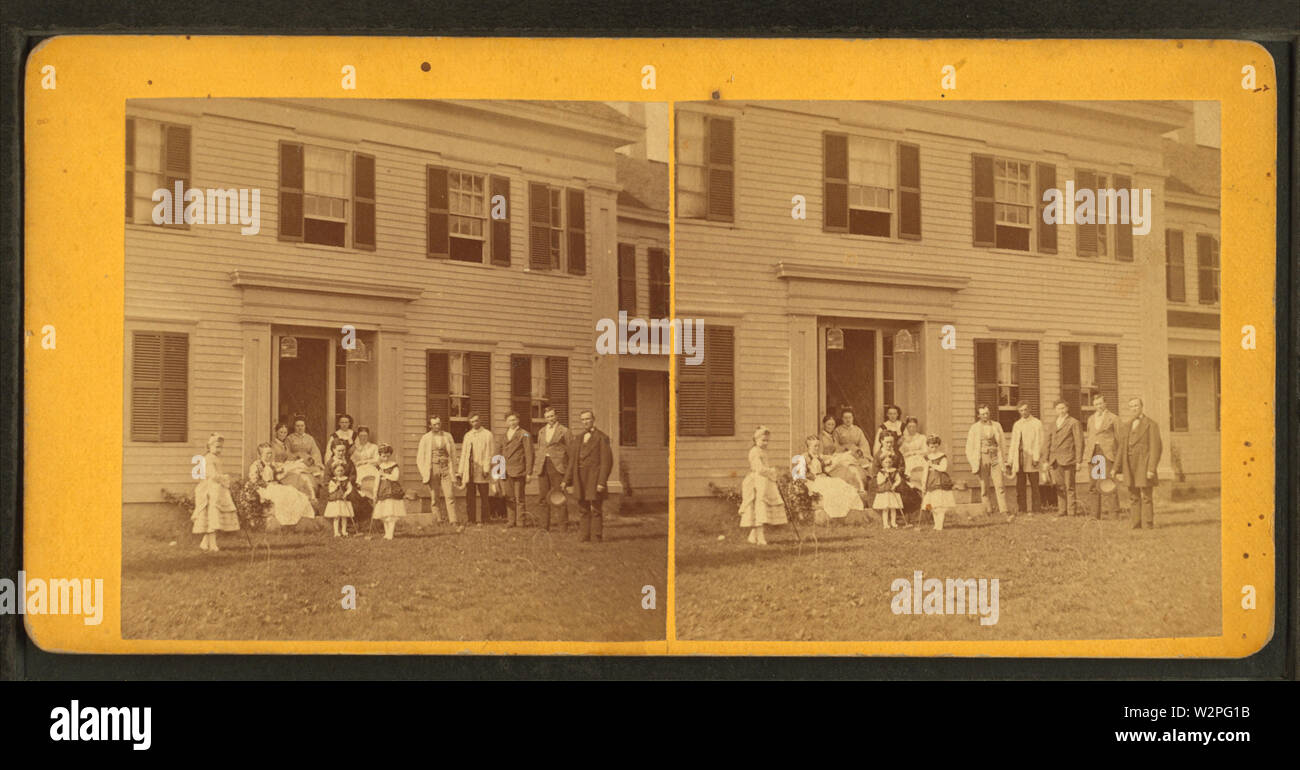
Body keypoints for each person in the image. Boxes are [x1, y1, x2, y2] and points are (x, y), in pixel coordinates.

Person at [563, 409, 613, 543]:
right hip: (580, 478)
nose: (585, 422)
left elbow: (606, 462)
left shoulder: (602, 438)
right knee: (583, 508)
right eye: (583, 420)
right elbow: (572, 462)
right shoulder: (578, 438)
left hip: (594, 478)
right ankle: (584, 535)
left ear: (593, 420)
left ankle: (596, 536)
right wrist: (566, 480)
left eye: (588, 419)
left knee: (596, 508)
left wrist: (602, 482)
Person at [1116, 397, 1163, 530]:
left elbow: (1156, 448)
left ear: (1142, 406)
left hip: (1144, 465)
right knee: (1133, 496)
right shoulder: (1127, 425)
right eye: (1131, 406)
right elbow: (1122, 448)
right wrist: (1117, 468)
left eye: (1136, 405)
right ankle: (1135, 524)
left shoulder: (1151, 424)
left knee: (1147, 496)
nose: (1134, 408)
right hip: (1130, 466)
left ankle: (1148, 524)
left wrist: (1151, 469)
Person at [737, 426, 787, 545]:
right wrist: (771, 471)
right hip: (757, 481)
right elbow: (759, 468)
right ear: (755, 439)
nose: (765, 443)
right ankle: (760, 536)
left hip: (765, 481)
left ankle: (753, 536)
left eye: (767, 440)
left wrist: (770, 473)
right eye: (763, 440)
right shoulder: (754, 451)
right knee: (759, 506)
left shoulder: (763, 451)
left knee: (761, 507)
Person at [798, 434, 864, 523]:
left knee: (840, 484)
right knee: (829, 491)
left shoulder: (819, 457)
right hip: (812, 481)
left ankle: (844, 513)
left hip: (822, 478)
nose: (817, 448)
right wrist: (814, 477)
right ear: (809, 446)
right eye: (815, 446)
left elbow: (829, 461)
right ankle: (835, 514)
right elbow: (802, 474)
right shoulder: (804, 457)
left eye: (818, 446)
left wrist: (829, 463)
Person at [192, 433, 240, 551]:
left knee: (214, 516)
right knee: (212, 516)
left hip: (217, 488)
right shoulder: (208, 458)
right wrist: (224, 478)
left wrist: (222, 480)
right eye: (216, 447)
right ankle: (212, 544)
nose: (219, 449)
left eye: (221, 447)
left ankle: (205, 542)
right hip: (209, 490)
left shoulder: (216, 458)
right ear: (209, 446)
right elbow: (213, 475)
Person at [249, 442, 313, 528]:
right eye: (267, 453)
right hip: (264, 488)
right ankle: (284, 521)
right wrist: (265, 484)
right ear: (260, 454)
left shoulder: (272, 465)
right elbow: (254, 480)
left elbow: (277, 476)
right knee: (280, 496)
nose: (270, 455)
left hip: (274, 486)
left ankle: (293, 520)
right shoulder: (256, 465)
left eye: (271, 453)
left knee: (292, 492)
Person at [965, 405, 1009, 520]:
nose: (985, 415)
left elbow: (1002, 443)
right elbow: (969, 448)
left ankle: (1004, 510)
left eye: (987, 413)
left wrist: (1004, 459)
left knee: (999, 485)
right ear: (978, 415)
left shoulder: (996, 425)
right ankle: (988, 510)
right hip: (982, 457)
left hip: (995, 458)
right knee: (984, 486)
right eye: (983, 414)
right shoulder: (974, 428)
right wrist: (974, 462)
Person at [417, 415, 459, 529]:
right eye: (434, 424)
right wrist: (425, 473)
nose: (437, 426)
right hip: (433, 468)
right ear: (430, 425)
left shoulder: (447, 436)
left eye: (438, 423)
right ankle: (438, 519)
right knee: (435, 497)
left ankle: (453, 520)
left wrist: (454, 469)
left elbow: (453, 454)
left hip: (446, 468)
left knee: (449, 495)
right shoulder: (425, 438)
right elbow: (420, 458)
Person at [533, 406, 571, 532]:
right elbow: (540, 449)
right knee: (543, 497)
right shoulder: (541, 431)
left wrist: (568, 470)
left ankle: (563, 527)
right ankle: (544, 527)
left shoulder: (564, 431)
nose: (550, 419)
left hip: (557, 466)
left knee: (559, 496)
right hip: (543, 466)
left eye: (552, 416)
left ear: (557, 416)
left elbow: (570, 451)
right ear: (545, 418)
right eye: (548, 417)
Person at [1045, 400, 1084, 517]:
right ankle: (1062, 510)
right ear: (1055, 410)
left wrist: (1078, 461)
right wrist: (1046, 460)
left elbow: (1079, 442)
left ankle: (1072, 511)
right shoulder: (1053, 424)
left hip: (1068, 459)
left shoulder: (1073, 422)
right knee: (1059, 486)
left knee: (1069, 486)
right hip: (1055, 459)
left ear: (1067, 408)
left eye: (1063, 408)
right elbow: (1047, 442)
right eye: (1058, 409)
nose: (1061, 411)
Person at [1085, 394, 1121, 519]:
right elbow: (1090, 436)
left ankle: (1114, 514)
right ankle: (1094, 514)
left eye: (1100, 404)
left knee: (1108, 483)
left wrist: (1117, 458)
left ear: (1105, 404)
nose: (1098, 406)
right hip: (1094, 453)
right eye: (1096, 404)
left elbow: (1119, 439)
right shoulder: (1090, 419)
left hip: (1107, 453)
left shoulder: (1113, 418)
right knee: (1094, 484)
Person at [1007, 402, 1046, 515]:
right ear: (1019, 411)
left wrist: (1036, 457)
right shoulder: (1017, 424)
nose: (1023, 412)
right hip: (1019, 458)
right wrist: (1010, 460)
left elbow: (1040, 441)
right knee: (1020, 485)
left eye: (1025, 410)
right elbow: (1014, 443)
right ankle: (1022, 508)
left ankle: (1037, 508)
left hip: (1032, 457)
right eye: (1021, 410)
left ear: (1029, 409)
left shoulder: (1036, 423)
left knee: (1034, 484)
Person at [457, 412, 494, 527]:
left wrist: (487, 468)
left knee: (484, 496)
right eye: (472, 421)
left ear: (480, 420)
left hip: (482, 469)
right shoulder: (468, 435)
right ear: (470, 422)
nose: (475, 423)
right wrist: (461, 471)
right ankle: (471, 519)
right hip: (470, 470)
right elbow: (464, 454)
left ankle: (485, 519)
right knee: (470, 496)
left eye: (476, 421)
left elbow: (490, 452)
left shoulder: (487, 434)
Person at [500, 412, 534, 528]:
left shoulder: (524, 434)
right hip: (506, 470)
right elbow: (498, 453)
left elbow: (529, 454)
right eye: (509, 420)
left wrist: (529, 472)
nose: (512, 422)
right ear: (506, 422)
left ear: (518, 420)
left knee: (519, 497)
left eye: (514, 420)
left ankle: (520, 522)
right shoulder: (504, 435)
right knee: (509, 497)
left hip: (519, 469)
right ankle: (511, 520)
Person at [284, 415, 324, 503]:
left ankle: (313, 499)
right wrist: (296, 456)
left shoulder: (309, 438)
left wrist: (313, 460)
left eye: (302, 426)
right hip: (295, 462)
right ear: (294, 427)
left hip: (309, 463)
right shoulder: (289, 438)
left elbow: (315, 452)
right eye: (297, 426)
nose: (300, 428)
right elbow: (287, 452)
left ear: (305, 426)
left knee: (317, 475)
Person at [920, 435, 956, 531]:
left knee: (940, 505)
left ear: (938, 445)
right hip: (930, 483)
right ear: (928, 446)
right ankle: (936, 524)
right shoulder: (927, 457)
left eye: (936, 446)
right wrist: (923, 484)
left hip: (940, 482)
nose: (934, 449)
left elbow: (943, 468)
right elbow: (925, 471)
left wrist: (933, 465)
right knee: (931, 506)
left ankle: (940, 525)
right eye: (931, 446)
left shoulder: (942, 456)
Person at [371, 443, 406, 540]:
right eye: (383, 456)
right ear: (380, 456)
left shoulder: (394, 465)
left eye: (387, 456)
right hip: (382, 491)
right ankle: (386, 534)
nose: (385, 458)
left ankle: (390, 533)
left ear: (390, 454)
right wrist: (374, 492)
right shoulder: (380, 466)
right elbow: (377, 480)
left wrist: (385, 475)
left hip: (392, 491)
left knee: (391, 514)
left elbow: (395, 477)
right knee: (384, 515)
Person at [832, 407, 873, 487]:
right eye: (845, 418)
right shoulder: (838, 430)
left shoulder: (858, 430)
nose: (848, 420)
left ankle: (869, 482)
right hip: (844, 454)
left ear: (853, 418)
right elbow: (835, 445)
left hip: (857, 454)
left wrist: (861, 453)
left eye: (850, 417)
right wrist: (846, 449)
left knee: (868, 466)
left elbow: (863, 444)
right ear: (842, 419)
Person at [350, 426, 379, 525]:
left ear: (368, 436)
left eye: (365, 435)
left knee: (373, 478)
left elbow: (377, 460)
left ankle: (372, 495)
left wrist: (365, 461)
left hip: (370, 467)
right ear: (358, 436)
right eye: (361, 436)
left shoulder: (373, 447)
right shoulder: (355, 448)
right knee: (359, 479)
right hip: (359, 469)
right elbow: (352, 459)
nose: (363, 438)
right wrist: (358, 462)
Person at [324, 446, 355, 537]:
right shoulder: (330, 464)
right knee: (337, 516)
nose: (341, 452)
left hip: (345, 494)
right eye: (339, 450)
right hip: (336, 498)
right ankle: (336, 531)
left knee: (344, 515)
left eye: (343, 450)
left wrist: (346, 489)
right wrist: (335, 486)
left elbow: (352, 477)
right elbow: (328, 484)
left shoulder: (348, 462)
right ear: (333, 450)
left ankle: (345, 530)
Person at [874, 454, 906, 529]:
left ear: (892, 463)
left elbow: (898, 480)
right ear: (882, 463)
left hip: (892, 491)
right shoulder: (881, 472)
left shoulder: (894, 471)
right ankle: (885, 524)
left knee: (893, 508)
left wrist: (894, 485)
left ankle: (893, 523)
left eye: (889, 462)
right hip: (884, 491)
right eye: (886, 462)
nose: (888, 464)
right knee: (885, 509)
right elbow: (879, 482)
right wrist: (885, 478)